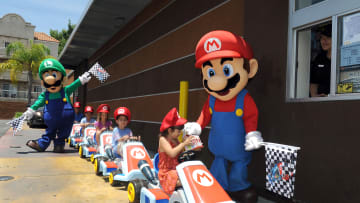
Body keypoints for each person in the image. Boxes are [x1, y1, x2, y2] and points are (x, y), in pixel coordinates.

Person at [184, 30, 263, 202]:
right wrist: (197, 126)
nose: (216, 81)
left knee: (239, 168)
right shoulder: (211, 99)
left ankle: (239, 188)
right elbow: (204, 115)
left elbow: (251, 117)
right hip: (218, 147)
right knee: (218, 166)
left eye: (226, 70)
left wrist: (251, 134)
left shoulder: (244, 98)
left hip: (238, 147)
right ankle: (217, 187)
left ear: (251, 69)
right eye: (210, 73)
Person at [158, 108, 194, 195]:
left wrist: (190, 145)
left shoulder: (176, 139)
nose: (180, 134)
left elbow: (180, 153)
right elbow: (172, 153)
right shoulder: (163, 140)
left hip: (177, 169)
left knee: (190, 173)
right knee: (184, 179)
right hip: (166, 172)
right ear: (170, 130)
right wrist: (183, 143)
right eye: (178, 131)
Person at [310, 23, 332, 97]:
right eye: (322, 38)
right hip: (320, 101)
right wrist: (315, 96)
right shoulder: (319, 58)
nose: (324, 41)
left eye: (328, 37)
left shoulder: (342, 57)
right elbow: (313, 81)